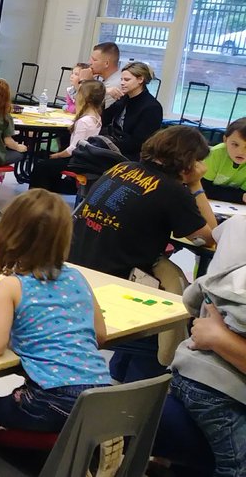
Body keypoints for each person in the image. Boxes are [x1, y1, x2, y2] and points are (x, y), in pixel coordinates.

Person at [70, 126, 219, 382]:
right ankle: (154, 375)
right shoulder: (172, 190)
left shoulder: (121, 168)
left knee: (168, 271)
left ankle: (121, 369)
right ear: (189, 162)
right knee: (176, 294)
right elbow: (212, 235)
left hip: (78, 264)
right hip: (116, 277)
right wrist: (195, 184)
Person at [0, 189, 111, 435]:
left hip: (49, 402)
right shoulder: (77, 277)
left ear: (7, 233)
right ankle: (76, 450)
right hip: (98, 397)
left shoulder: (12, 286)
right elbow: (100, 335)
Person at [153, 216, 246, 477]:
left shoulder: (224, 276)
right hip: (223, 390)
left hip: (185, 372)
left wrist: (218, 336)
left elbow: (191, 298)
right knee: (237, 466)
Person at [28, 79, 105, 193]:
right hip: (86, 159)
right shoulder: (97, 117)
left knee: (42, 165)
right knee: (49, 167)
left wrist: (57, 155)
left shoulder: (84, 121)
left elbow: (73, 149)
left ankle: (36, 197)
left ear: (84, 97)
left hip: (77, 160)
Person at [101, 61, 162, 161]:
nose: (122, 83)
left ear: (140, 79)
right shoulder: (124, 98)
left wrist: (107, 144)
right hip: (115, 146)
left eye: (127, 80)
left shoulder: (152, 107)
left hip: (131, 156)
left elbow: (139, 143)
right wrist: (104, 92)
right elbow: (103, 118)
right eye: (121, 79)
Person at [202, 118, 246, 204]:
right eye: (235, 144)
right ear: (225, 140)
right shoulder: (214, 154)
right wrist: (239, 196)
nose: (241, 152)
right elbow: (203, 189)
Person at [89, 42, 123, 107]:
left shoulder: (115, 84)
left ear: (106, 63)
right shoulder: (100, 78)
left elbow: (89, 109)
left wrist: (86, 82)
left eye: (94, 60)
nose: (90, 63)